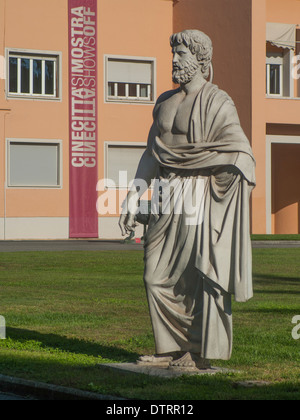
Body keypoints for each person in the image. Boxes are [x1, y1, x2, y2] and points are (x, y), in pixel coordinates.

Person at [119, 29, 256, 370]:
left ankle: (194, 352)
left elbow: (240, 153)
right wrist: (133, 194)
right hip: (166, 192)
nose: (175, 60)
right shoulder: (165, 101)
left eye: (181, 55)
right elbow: (152, 154)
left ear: (200, 60)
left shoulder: (217, 101)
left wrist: (220, 176)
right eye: (174, 54)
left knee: (195, 276)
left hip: (199, 193)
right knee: (154, 276)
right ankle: (168, 348)